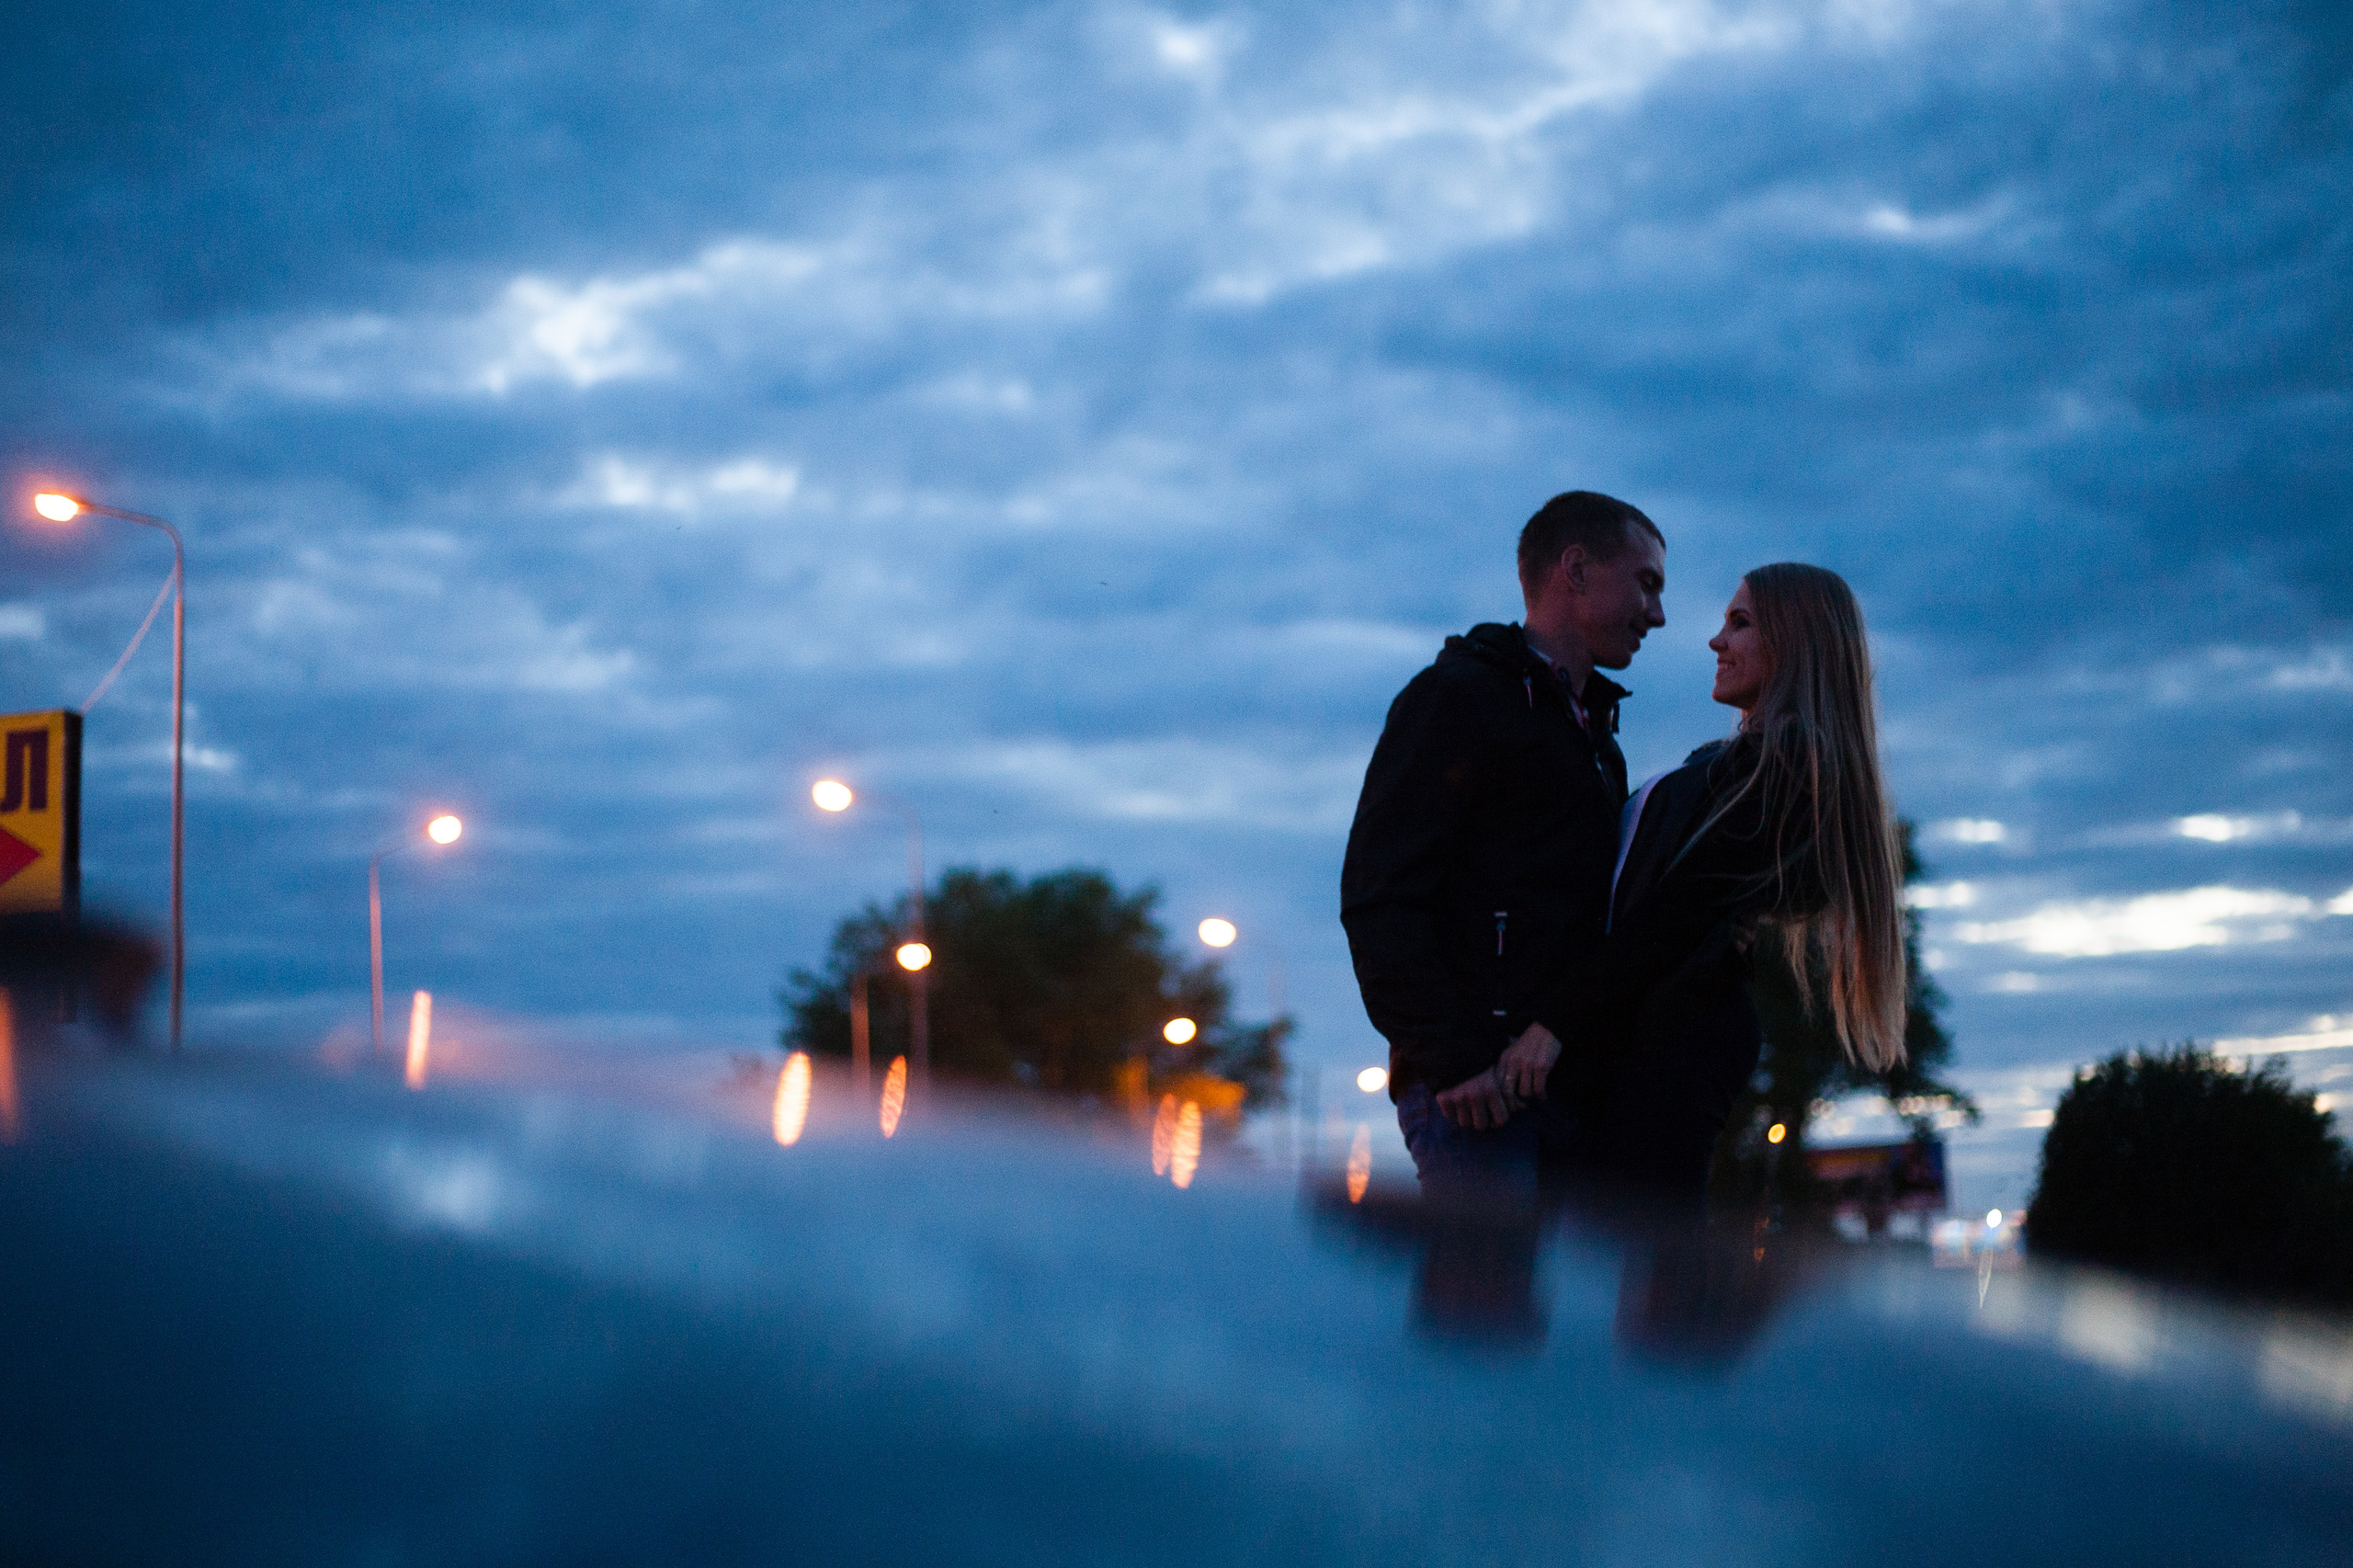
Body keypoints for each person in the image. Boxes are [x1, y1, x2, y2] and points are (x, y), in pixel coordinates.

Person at [1496, 562, 1909, 1206]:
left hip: (1671, 1035)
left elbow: (1676, 910)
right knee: (1614, 1270)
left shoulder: (1791, 767)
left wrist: (1553, 1026)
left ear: (1795, 642)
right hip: (1648, 1028)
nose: (1717, 642)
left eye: (1740, 624)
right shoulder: (1733, 763)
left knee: (1637, 1271)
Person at [1340, 491, 1665, 1193]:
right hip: (1477, 1100)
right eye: (1647, 583)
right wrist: (1451, 1060)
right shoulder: (1458, 700)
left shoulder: (1596, 740)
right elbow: (1380, 895)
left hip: (1563, 1096)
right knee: (1486, 1301)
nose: (1658, 614)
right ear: (1575, 569)